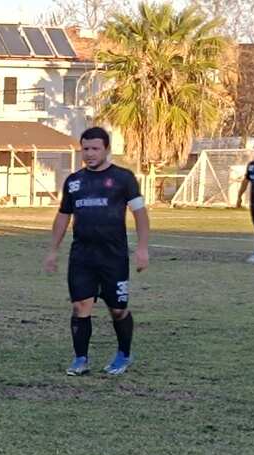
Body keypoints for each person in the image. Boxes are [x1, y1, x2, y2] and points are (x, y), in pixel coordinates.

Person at [44, 126, 150, 376]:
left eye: (95, 148)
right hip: (82, 255)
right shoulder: (74, 181)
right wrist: (52, 250)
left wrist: (143, 248)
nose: (89, 154)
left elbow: (140, 214)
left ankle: (124, 353)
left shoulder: (123, 178)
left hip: (113, 256)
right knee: (81, 305)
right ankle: (81, 359)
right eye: (85, 148)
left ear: (106, 149)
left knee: (117, 309)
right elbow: (63, 217)